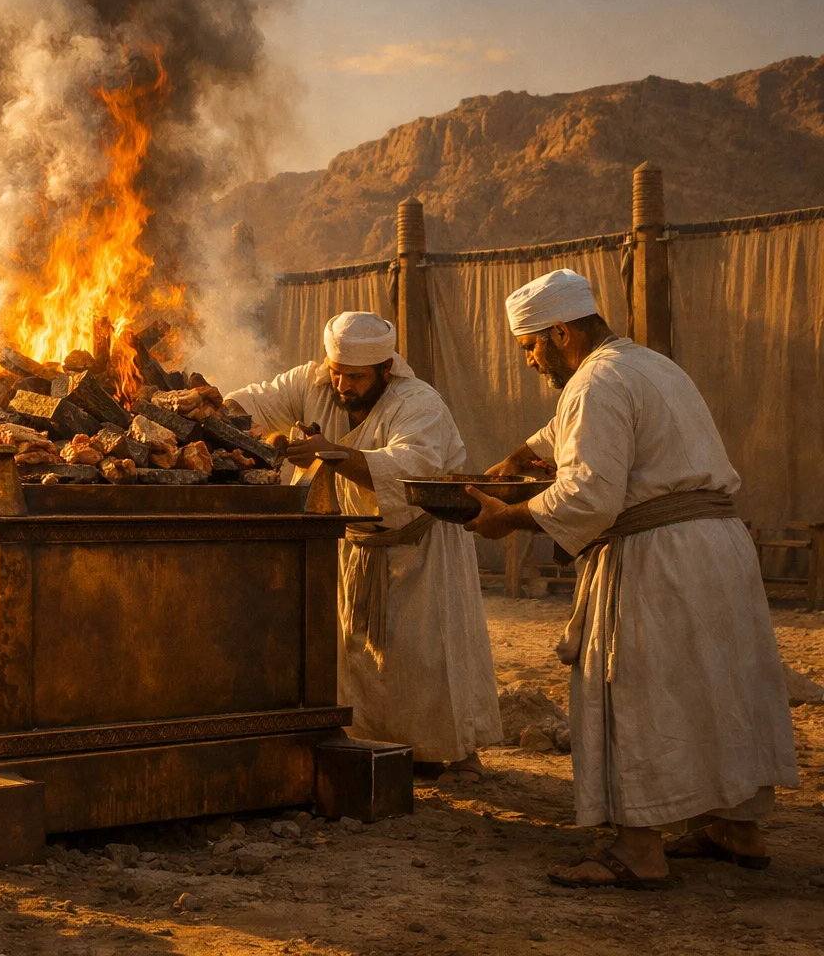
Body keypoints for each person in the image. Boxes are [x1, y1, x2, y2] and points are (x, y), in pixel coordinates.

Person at [465, 269, 798, 888]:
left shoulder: (593, 382)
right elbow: (570, 432)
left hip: (660, 560)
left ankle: (640, 850)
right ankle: (737, 827)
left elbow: (589, 497)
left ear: (560, 331)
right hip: (717, 553)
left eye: (531, 347)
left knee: (639, 690)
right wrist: (517, 457)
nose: (532, 362)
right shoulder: (649, 365)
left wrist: (505, 518)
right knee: (718, 690)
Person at [225, 312, 502, 780]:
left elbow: (407, 468)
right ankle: (370, 747)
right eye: (337, 372)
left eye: (355, 377)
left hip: (420, 550)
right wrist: (260, 432)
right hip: (352, 545)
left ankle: (451, 753)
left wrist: (329, 453)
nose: (342, 385)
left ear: (385, 370)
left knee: (424, 657)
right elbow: (241, 405)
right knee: (355, 661)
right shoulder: (313, 382)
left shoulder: (419, 403)